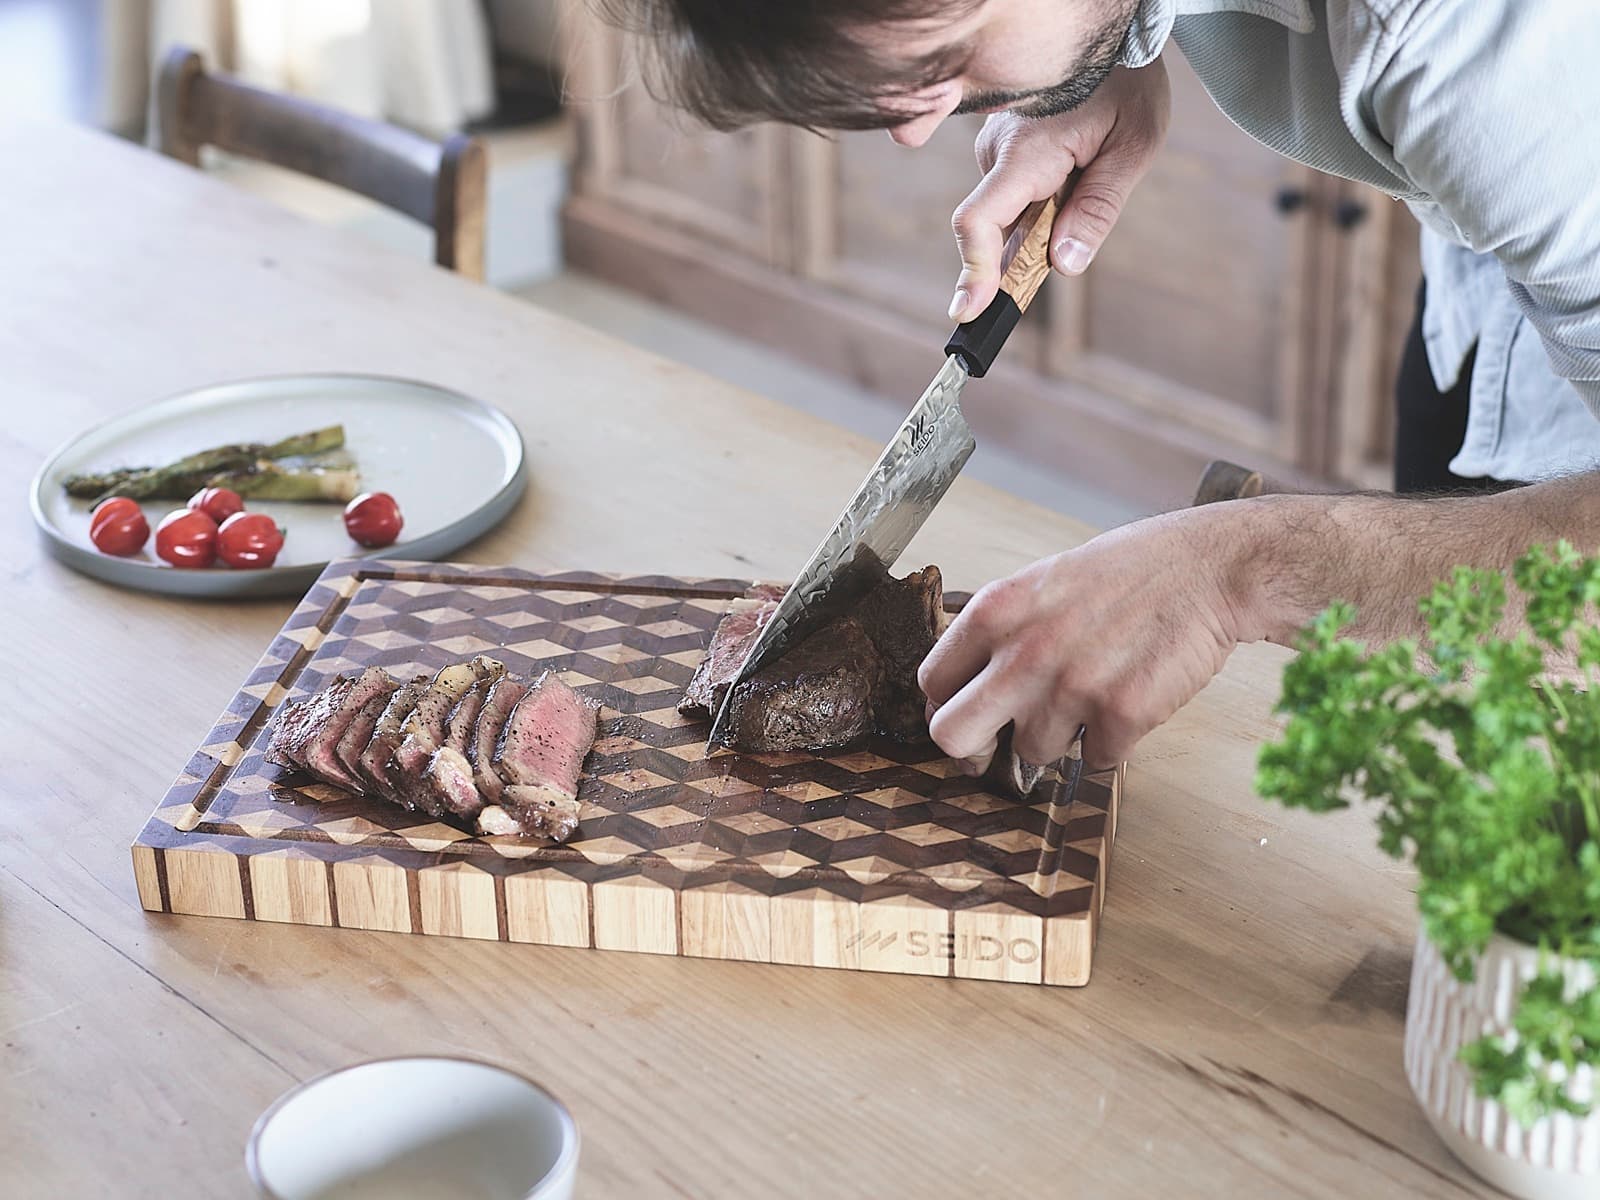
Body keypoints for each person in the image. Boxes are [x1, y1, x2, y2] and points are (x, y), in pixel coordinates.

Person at [603, 0, 1600, 774]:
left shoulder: (1479, 52)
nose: (914, 130)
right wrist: (1118, 48)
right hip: (1489, 324)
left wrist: (1235, 571)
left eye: (941, 54)